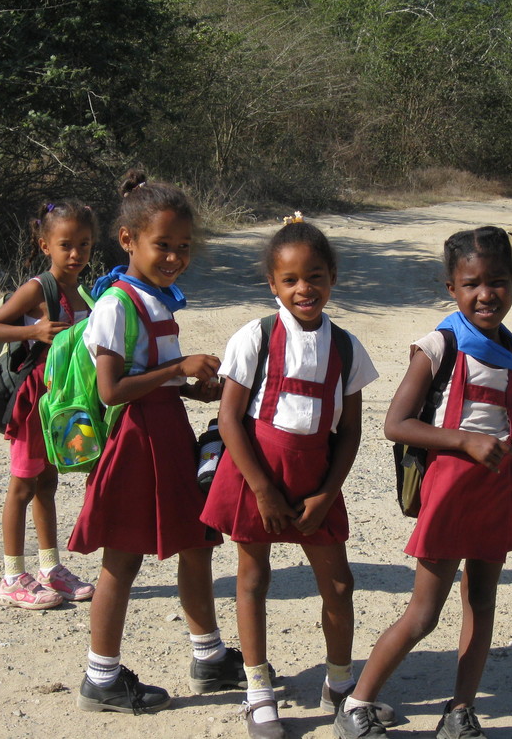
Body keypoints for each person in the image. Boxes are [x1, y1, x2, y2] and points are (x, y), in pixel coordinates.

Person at [333, 226, 512, 739]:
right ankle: (357, 704)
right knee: (424, 612)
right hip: (450, 495)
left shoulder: (511, 355)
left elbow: (509, 443)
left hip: (497, 494)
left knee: (483, 603)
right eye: (472, 283)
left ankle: (460, 709)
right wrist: (464, 442)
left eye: (498, 282)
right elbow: (397, 424)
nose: (485, 294)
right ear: (451, 288)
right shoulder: (439, 345)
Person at [201, 216, 383, 739]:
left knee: (340, 584)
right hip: (255, 477)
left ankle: (341, 686)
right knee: (253, 580)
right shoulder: (255, 337)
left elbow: (349, 432)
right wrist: (260, 488)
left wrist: (328, 494)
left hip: (315, 482)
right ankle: (259, 694)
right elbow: (231, 418)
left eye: (316, 276)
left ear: (333, 278)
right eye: (291, 280)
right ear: (273, 284)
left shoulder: (347, 348)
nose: (305, 288)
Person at [68, 170, 242, 715]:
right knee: (123, 558)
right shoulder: (117, 304)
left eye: (183, 247)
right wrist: (178, 366)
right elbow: (113, 389)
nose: (173, 257)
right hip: (136, 441)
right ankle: (101, 676)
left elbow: (156, 379)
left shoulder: (156, 298)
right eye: (162, 245)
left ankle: (208, 656)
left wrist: (194, 388)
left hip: (166, 433)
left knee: (195, 544)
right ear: (129, 241)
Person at [0, 199, 97, 610]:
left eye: (83, 245)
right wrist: (34, 329)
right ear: (45, 245)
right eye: (66, 245)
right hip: (35, 402)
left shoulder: (84, 289)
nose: (75, 254)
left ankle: (51, 569)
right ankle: (12, 578)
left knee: (49, 482)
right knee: (22, 486)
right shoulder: (38, 288)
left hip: (65, 402)